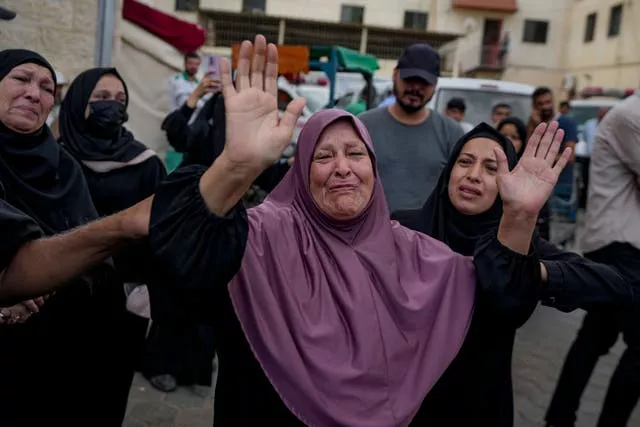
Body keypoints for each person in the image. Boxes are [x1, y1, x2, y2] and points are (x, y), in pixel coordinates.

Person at [148, 34, 570, 426]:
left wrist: (519, 217)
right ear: (300, 170)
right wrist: (236, 167)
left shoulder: (414, 252)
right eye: (323, 155)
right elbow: (180, 264)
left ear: (374, 167)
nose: (342, 167)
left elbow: (503, 300)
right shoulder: (261, 235)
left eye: (355, 153)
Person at [393, 123, 631, 426]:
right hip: (405, 407)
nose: (473, 175)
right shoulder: (403, 230)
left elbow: (616, 286)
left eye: (492, 168)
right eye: (464, 162)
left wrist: (526, 269)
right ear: (448, 171)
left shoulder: (516, 245)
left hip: (481, 410)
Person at [0, 50, 150, 424]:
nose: (35, 94)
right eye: (21, 79)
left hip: (71, 339)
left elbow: (88, 250)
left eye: (47, 87)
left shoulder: (63, 167)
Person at [57, 66, 166, 376]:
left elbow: (160, 231)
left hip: (124, 297)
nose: (113, 105)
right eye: (102, 97)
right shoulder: (55, 158)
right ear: (80, 103)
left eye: (120, 99)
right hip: (59, 291)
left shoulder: (145, 164)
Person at [546, 95, 640, 427]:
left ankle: (559, 417)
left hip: (617, 244)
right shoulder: (632, 116)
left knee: (594, 337)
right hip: (622, 247)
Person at [358, 43, 464, 212]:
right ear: (394, 75)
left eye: (423, 83)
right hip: (370, 234)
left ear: (435, 85)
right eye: (409, 80)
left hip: (428, 236)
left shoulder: (451, 133)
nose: (415, 88)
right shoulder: (362, 126)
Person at [498, 116, 551, 240]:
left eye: (515, 137)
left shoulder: (531, 174)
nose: (508, 140)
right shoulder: (483, 169)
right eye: (503, 135)